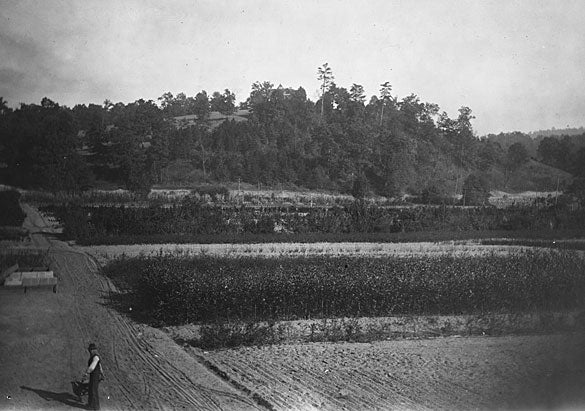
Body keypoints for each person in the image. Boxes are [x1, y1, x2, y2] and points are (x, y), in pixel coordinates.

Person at [82, 343, 101, 410]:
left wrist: (86, 373)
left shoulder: (95, 357)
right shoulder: (94, 356)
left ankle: (95, 407)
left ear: (92, 350)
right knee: (91, 389)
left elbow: (92, 367)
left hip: (95, 375)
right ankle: (90, 405)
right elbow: (100, 366)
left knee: (93, 390)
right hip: (93, 375)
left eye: (90, 350)